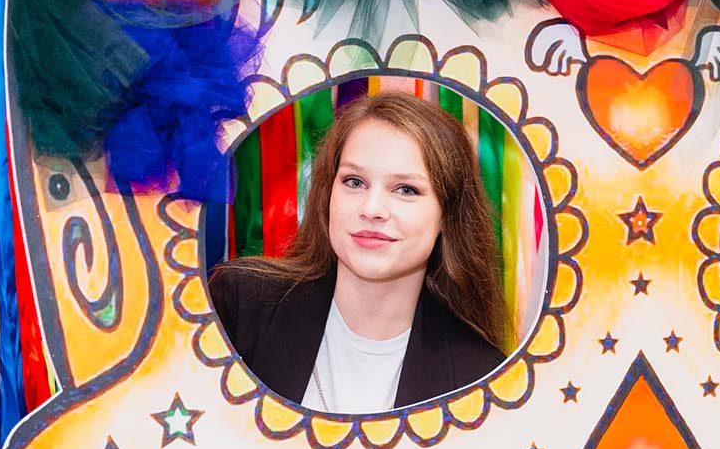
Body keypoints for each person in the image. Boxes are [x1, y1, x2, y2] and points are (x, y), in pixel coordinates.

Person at [209, 91, 508, 413]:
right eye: (354, 182)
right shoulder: (240, 304)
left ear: (447, 216)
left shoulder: (485, 380)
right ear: (328, 193)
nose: (372, 209)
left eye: (406, 189)